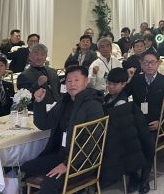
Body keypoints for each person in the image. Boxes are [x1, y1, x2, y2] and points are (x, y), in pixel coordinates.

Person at [21, 66, 104, 194]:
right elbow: (44, 124)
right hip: (61, 155)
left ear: (86, 81)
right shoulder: (64, 101)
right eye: (69, 81)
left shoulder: (93, 106)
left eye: (76, 80)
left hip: (82, 162)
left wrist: (67, 164)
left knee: (50, 182)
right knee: (27, 168)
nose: (72, 84)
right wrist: (39, 103)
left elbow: (90, 143)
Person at [100, 68, 153, 194]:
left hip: (126, 137)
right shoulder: (108, 98)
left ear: (123, 84)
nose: (110, 87)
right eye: (109, 83)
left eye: (114, 84)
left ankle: (138, 177)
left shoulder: (122, 103)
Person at [125, 51, 164, 141]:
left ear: (158, 63)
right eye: (146, 63)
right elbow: (125, 94)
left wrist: (161, 122)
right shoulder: (136, 79)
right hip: (138, 121)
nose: (149, 66)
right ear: (141, 64)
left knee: (144, 141)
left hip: (155, 123)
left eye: (153, 62)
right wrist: (129, 78)